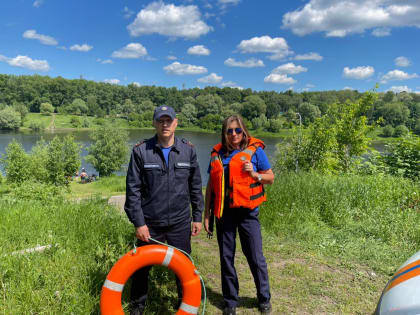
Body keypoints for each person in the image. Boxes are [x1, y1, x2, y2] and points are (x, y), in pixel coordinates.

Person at [124, 105, 204, 315]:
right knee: (141, 270)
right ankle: (137, 309)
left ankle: (186, 306)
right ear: (154, 123)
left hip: (179, 223)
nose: (165, 124)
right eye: (161, 120)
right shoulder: (141, 151)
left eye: (169, 120)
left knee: (183, 269)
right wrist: (138, 223)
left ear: (176, 123)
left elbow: (196, 187)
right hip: (150, 224)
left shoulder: (188, 150)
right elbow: (132, 191)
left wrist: (197, 216)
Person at [204, 115, 275, 315]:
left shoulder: (255, 151)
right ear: (224, 133)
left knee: (255, 256)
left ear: (243, 131)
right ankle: (230, 302)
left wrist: (255, 174)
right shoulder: (217, 154)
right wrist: (207, 214)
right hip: (224, 212)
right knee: (226, 257)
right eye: (229, 131)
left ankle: (264, 298)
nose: (233, 134)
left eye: (237, 130)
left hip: (247, 212)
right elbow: (210, 186)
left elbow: (270, 178)